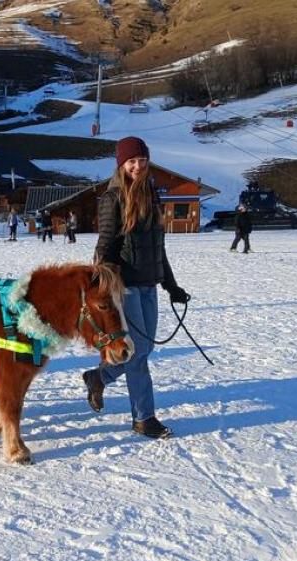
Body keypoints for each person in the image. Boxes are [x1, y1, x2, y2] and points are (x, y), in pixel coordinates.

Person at [82, 136, 189, 439]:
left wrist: (172, 285)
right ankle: (143, 417)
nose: (138, 166)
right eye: (132, 161)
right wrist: (101, 281)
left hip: (149, 284)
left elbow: (158, 248)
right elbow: (105, 243)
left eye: (142, 160)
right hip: (124, 286)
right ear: (121, 164)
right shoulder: (112, 198)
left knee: (146, 348)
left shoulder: (152, 194)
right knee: (138, 350)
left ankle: (99, 376)